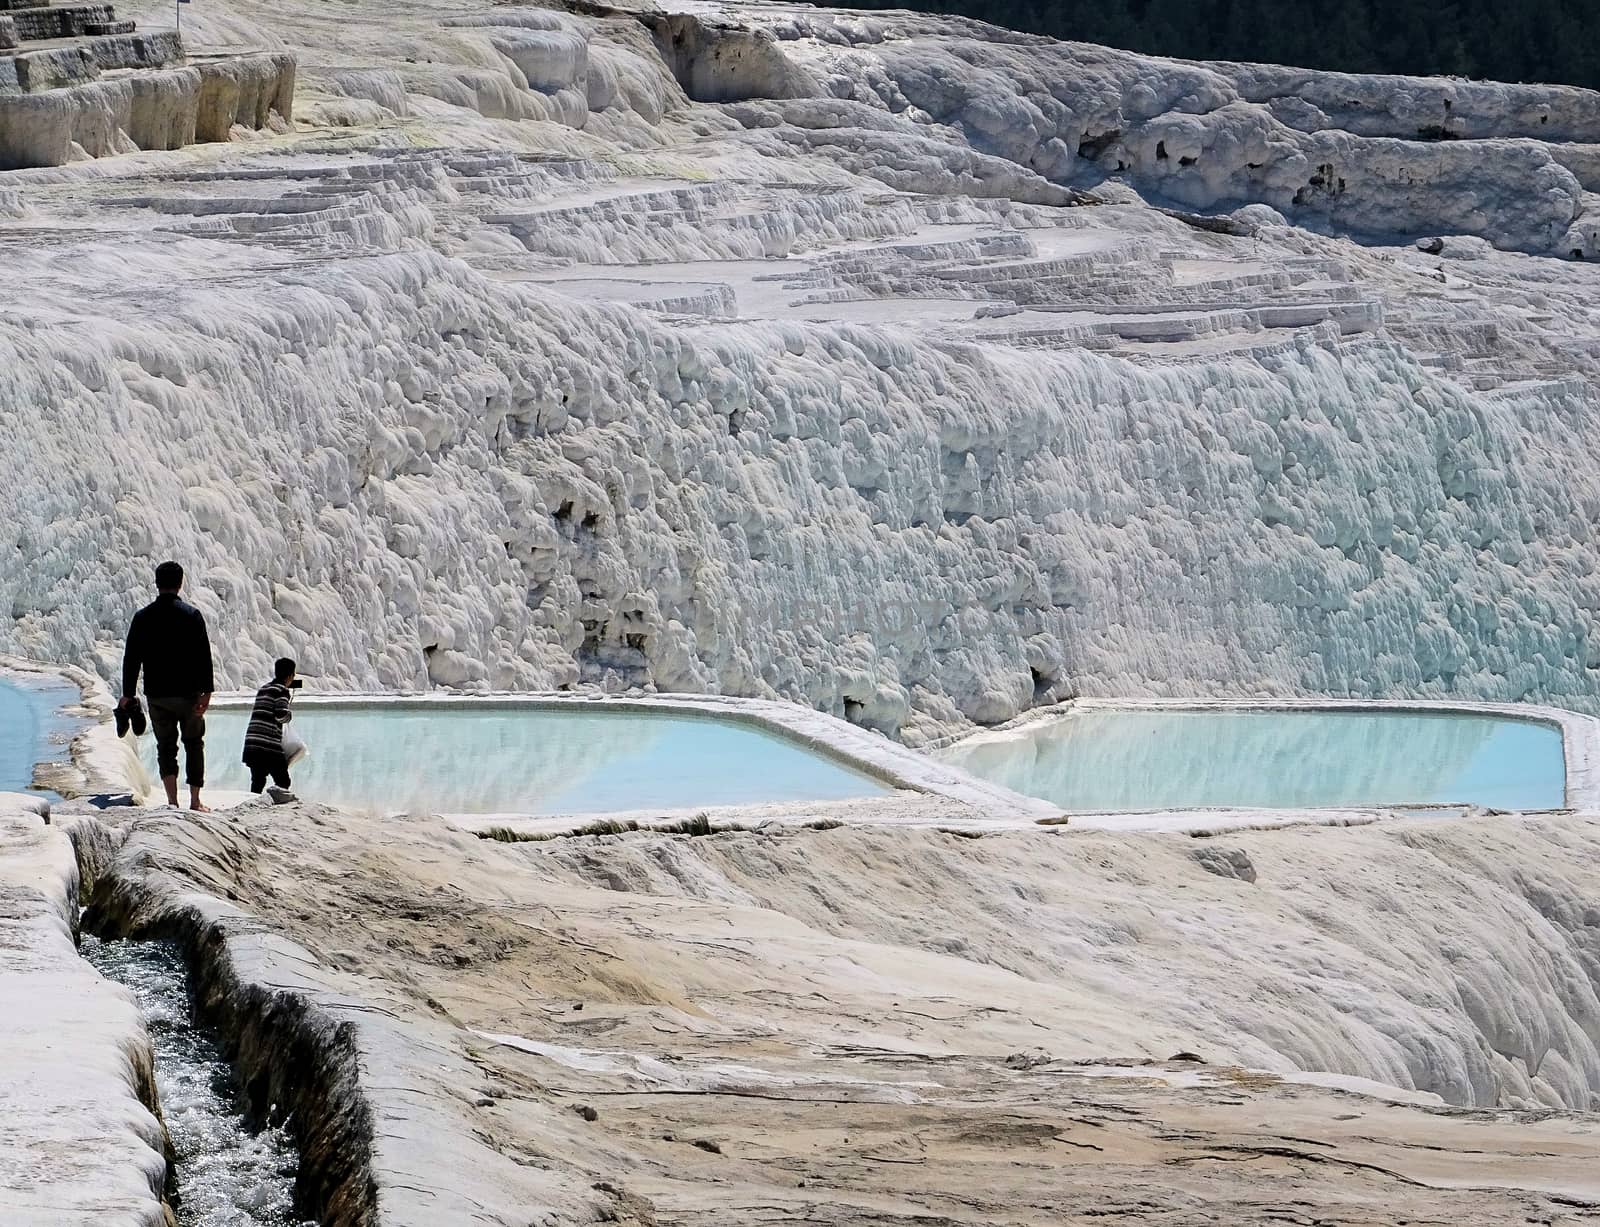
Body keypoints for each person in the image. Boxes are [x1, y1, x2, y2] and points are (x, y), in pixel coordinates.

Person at [120, 561, 214, 811]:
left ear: (157, 583)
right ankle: (195, 801)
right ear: (180, 583)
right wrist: (207, 692)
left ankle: (172, 801)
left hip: (158, 694)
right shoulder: (191, 615)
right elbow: (203, 655)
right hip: (189, 693)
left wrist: (127, 694)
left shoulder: (143, 617)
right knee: (194, 743)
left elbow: (131, 659)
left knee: (165, 746)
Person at [243, 658, 298, 799]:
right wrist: (289, 715)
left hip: (252, 742)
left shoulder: (264, 688)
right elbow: (280, 715)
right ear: (290, 676)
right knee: (283, 780)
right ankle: (277, 803)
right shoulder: (282, 691)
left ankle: (252, 803)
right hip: (268, 744)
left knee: (258, 779)